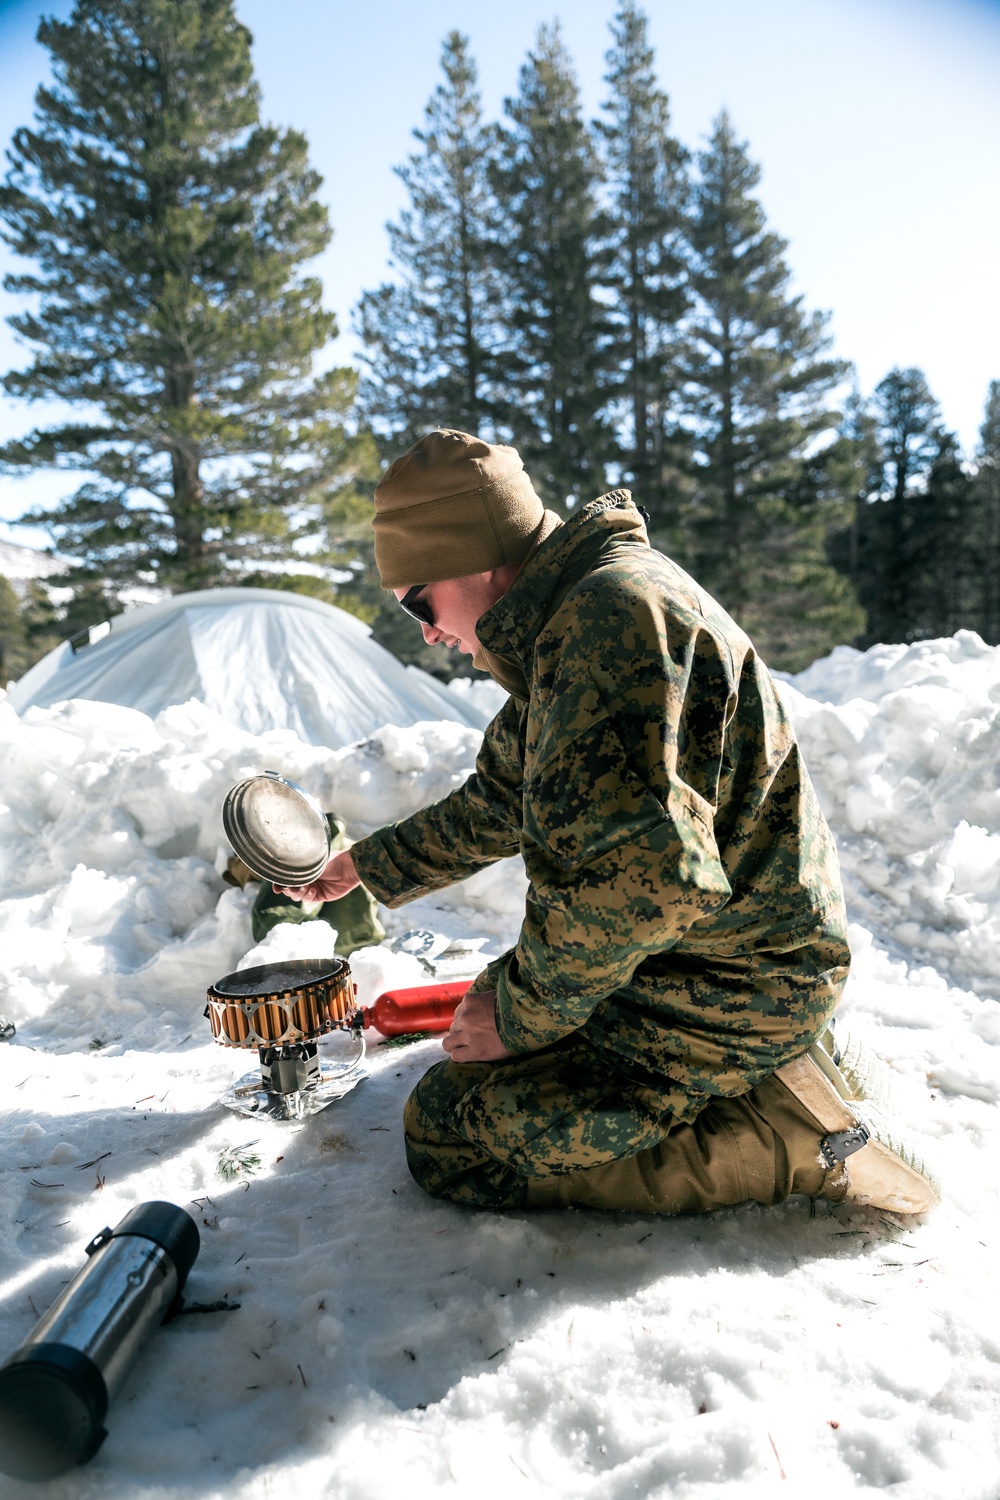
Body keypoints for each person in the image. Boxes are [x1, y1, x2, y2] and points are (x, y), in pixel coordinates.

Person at [279, 429, 938, 1218]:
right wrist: (373, 867)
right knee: (488, 1022)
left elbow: (646, 886)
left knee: (451, 1132)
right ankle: (786, 1058)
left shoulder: (605, 627)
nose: (425, 630)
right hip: (724, 953)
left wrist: (522, 1016)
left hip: (724, 981)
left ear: (474, 554)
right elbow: (504, 796)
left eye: (420, 601)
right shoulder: (579, 609)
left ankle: (783, 1135)